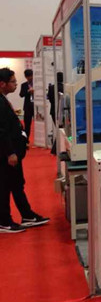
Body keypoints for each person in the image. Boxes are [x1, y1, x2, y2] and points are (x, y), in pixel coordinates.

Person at [0, 68, 50, 233]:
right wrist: (10, 152)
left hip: (13, 151)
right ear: (2, 84)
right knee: (5, 186)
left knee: (17, 184)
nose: (15, 84)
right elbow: (1, 131)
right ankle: (4, 221)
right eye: (13, 82)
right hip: (7, 154)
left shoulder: (3, 99)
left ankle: (27, 215)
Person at [19, 68, 34, 143]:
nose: (30, 78)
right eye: (28, 76)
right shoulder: (24, 85)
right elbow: (21, 94)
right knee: (27, 125)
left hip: (36, 107)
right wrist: (28, 91)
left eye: (31, 76)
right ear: (25, 77)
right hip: (27, 107)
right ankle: (26, 141)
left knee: (39, 124)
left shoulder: (37, 84)